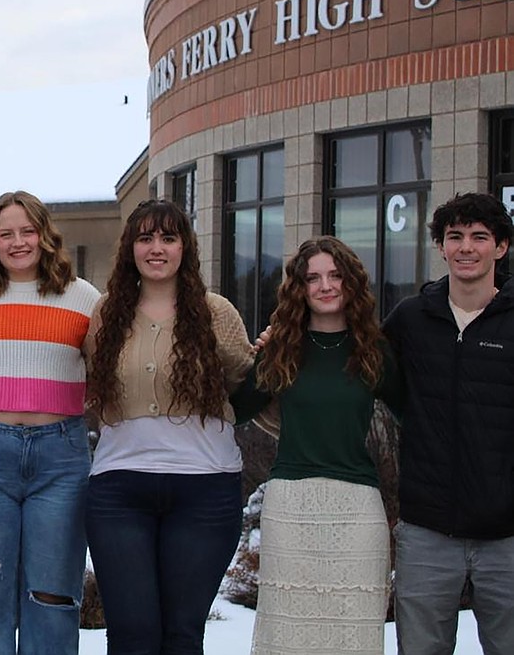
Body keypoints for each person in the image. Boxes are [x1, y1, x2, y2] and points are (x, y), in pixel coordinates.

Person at [84, 199, 252, 655]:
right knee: (132, 635)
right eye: (145, 238)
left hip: (206, 490)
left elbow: (250, 383)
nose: (156, 248)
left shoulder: (215, 312)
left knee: (181, 635)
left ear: (185, 247)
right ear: (130, 249)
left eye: (168, 238)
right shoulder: (105, 315)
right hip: (119, 491)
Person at [0, 190, 99, 655]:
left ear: (46, 235)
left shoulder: (82, 297)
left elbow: (115, 367)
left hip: (61, 460)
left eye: (28, 231)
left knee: (53, 595)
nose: (18, 242)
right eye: (6, 233)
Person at [231, 236, 403, 655]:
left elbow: (415, 418)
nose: (325, 286)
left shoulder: (373, 351)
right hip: (291, 508)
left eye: (335, 275)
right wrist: (257, 355)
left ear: (351, 282)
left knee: (353, 636)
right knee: (289, 636)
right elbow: (233, 411)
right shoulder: (282, 350)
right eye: (313, 278)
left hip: (358, 510)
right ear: (299, 289)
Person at [382, 192, 514, 655]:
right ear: (441, 246)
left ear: (501, 247)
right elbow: (361, 367)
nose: (466, 247)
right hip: (427, 533)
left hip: (507, 539)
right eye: (454, 236)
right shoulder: (412, 319)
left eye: (480, 237)